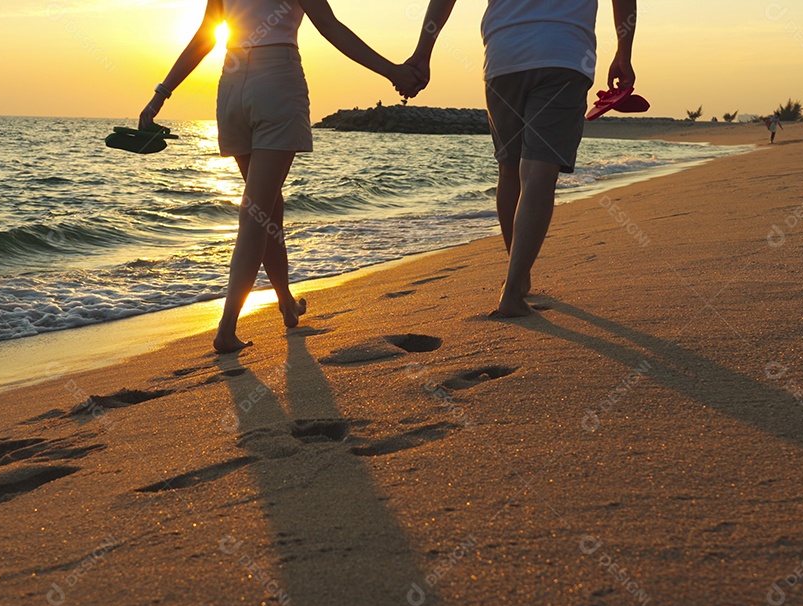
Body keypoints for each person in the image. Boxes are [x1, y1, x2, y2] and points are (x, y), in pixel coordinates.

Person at [140, 1, 422, 353]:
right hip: (275, 80)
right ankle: (227, 329)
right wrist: (392, 71)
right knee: (257, 210)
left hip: (231, 85)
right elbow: (329, 27)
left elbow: (204, 36)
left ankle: (286, 302)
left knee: (269, 205)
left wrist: (159, 96)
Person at [403, 0, 637, 317]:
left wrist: (422, 53)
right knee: (539, 173)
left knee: (510, 170)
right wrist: (624, 52)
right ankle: (512, 291)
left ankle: (519, 276)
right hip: (564, 53)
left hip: (504, 55)